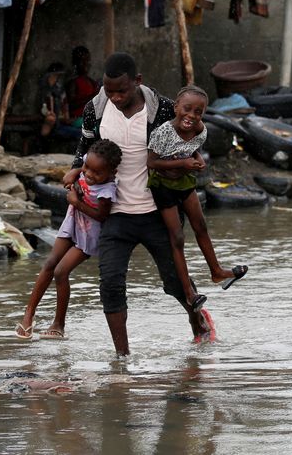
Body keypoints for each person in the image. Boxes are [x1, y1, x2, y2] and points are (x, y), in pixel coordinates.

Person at [63, 52, 214, 356]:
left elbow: (189, 142)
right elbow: (86, 146)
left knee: (174, 283)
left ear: (137, 82)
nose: (115, 97)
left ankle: (200, 325)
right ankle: (122, 358)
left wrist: (191, 166)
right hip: (115, 214)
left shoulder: (163, 110)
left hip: (157, 210)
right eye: (109, 91)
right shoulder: (96, 108)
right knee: (110, 286)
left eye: (122, 90)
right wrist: (76, 167)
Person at [146, 84, 248, 313]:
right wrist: (183, 163)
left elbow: (192, 148)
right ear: (176, 108)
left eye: (198, 112)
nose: (191, 116)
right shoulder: (163, 132)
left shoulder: (200, 130)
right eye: (187, 109)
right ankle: (189, 293)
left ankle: (217, 272)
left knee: (201, 225)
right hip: (163, 185)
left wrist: (197, 159)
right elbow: (151, 163)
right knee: (178, 237)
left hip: (184, 182)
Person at [16, 139, 122, 340]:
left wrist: (76, 201)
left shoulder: (107, 191)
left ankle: (59, 324)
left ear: (111, 173)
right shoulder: (88, 163)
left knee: (61, 272)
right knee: (49, 263)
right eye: (87, 168)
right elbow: (73, 173)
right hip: (72, 221)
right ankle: (28, 314)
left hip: (89, 233)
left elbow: (101, 216)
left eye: (96, 173)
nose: (89, 174)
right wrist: (74, 174)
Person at [66, 46, 100, 126]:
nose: (86, 63)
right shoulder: (73, 83)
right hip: (77, 119)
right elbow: (70, 106)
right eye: (82, 61)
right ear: (75, 64)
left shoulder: (92, 82)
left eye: (87, 60)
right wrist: (92, 97)